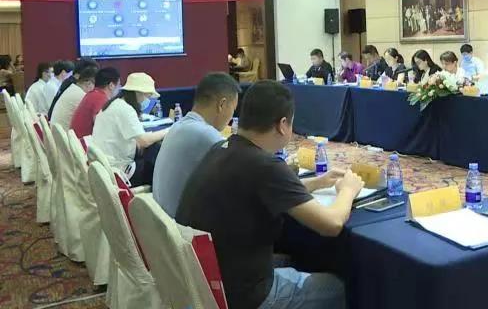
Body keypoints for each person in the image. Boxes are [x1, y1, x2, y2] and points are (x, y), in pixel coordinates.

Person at [177, 80, 365, 309]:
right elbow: (332, 224)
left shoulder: (222, 150)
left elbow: (269, 190)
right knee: (337, 288)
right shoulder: (264, 165)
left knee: (290, 258)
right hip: (243, 296)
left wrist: (318, 182)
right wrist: (348, 190)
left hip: (207, 283)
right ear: (283, 125)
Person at [153, 73, 240, 218]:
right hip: (181, 227)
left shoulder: (178, 126)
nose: (231, 117)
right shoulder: (206, 134)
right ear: (222, 105)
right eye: (233, 110)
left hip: (160, 221)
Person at [92, 73, 169, 186]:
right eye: (147, 96)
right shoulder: (125, 109)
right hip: (118, 172)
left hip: (105, 167)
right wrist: (168, 131)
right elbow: (144, 141)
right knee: (162, 168)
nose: (148, 100)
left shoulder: (115, 104)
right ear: (138, 92)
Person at [70, 67, 121, 138]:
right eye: (118, 85)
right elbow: (102, 128)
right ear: (111, 85)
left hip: (78, 141)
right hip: (84, 143)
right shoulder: (100, 98)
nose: (119, 88)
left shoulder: (93, 94)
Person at [51, 66, 97, 130]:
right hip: (66, 134)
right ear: (88, 83)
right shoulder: (81, 96)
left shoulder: (72, 89)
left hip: (58, 133)